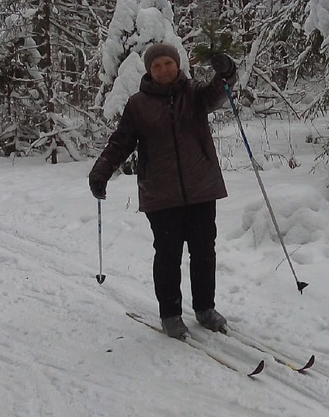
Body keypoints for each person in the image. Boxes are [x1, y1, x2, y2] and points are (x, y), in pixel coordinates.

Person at [89, 41, 237, 339]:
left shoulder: (194, 92)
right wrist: (102, 170)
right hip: (161, 193)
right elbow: (121, 142)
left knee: (204, 252)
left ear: (177, 64)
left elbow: (217, 94)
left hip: (201, 188)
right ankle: (170, 313)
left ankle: (205, 308)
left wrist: (226, 73)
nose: (164, 70)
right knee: (168, 255)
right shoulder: (138, 105)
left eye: (168, 63)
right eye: (157, 66)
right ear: (150, 71)